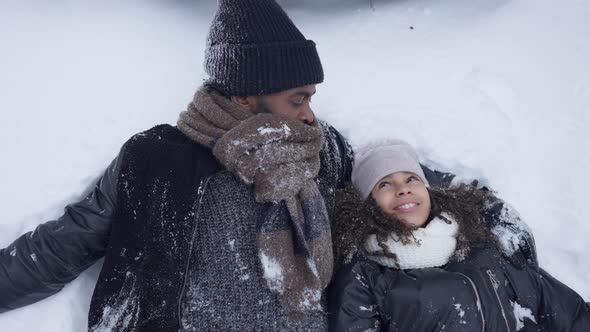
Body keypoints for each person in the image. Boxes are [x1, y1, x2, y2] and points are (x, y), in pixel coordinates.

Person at [0, 0, 357, 330]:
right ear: (245, 95)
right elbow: (69, 242)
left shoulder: (321, 152)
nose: (309, 115)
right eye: (297, 100)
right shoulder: (158, 160)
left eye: (311, 98)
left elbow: (389, 213)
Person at [328, 139, 590, 331]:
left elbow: (569, 312)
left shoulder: (482, 246)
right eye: (384, 183)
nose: (403, 189)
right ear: (368, 203)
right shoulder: (364, 275)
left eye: (411, 179)